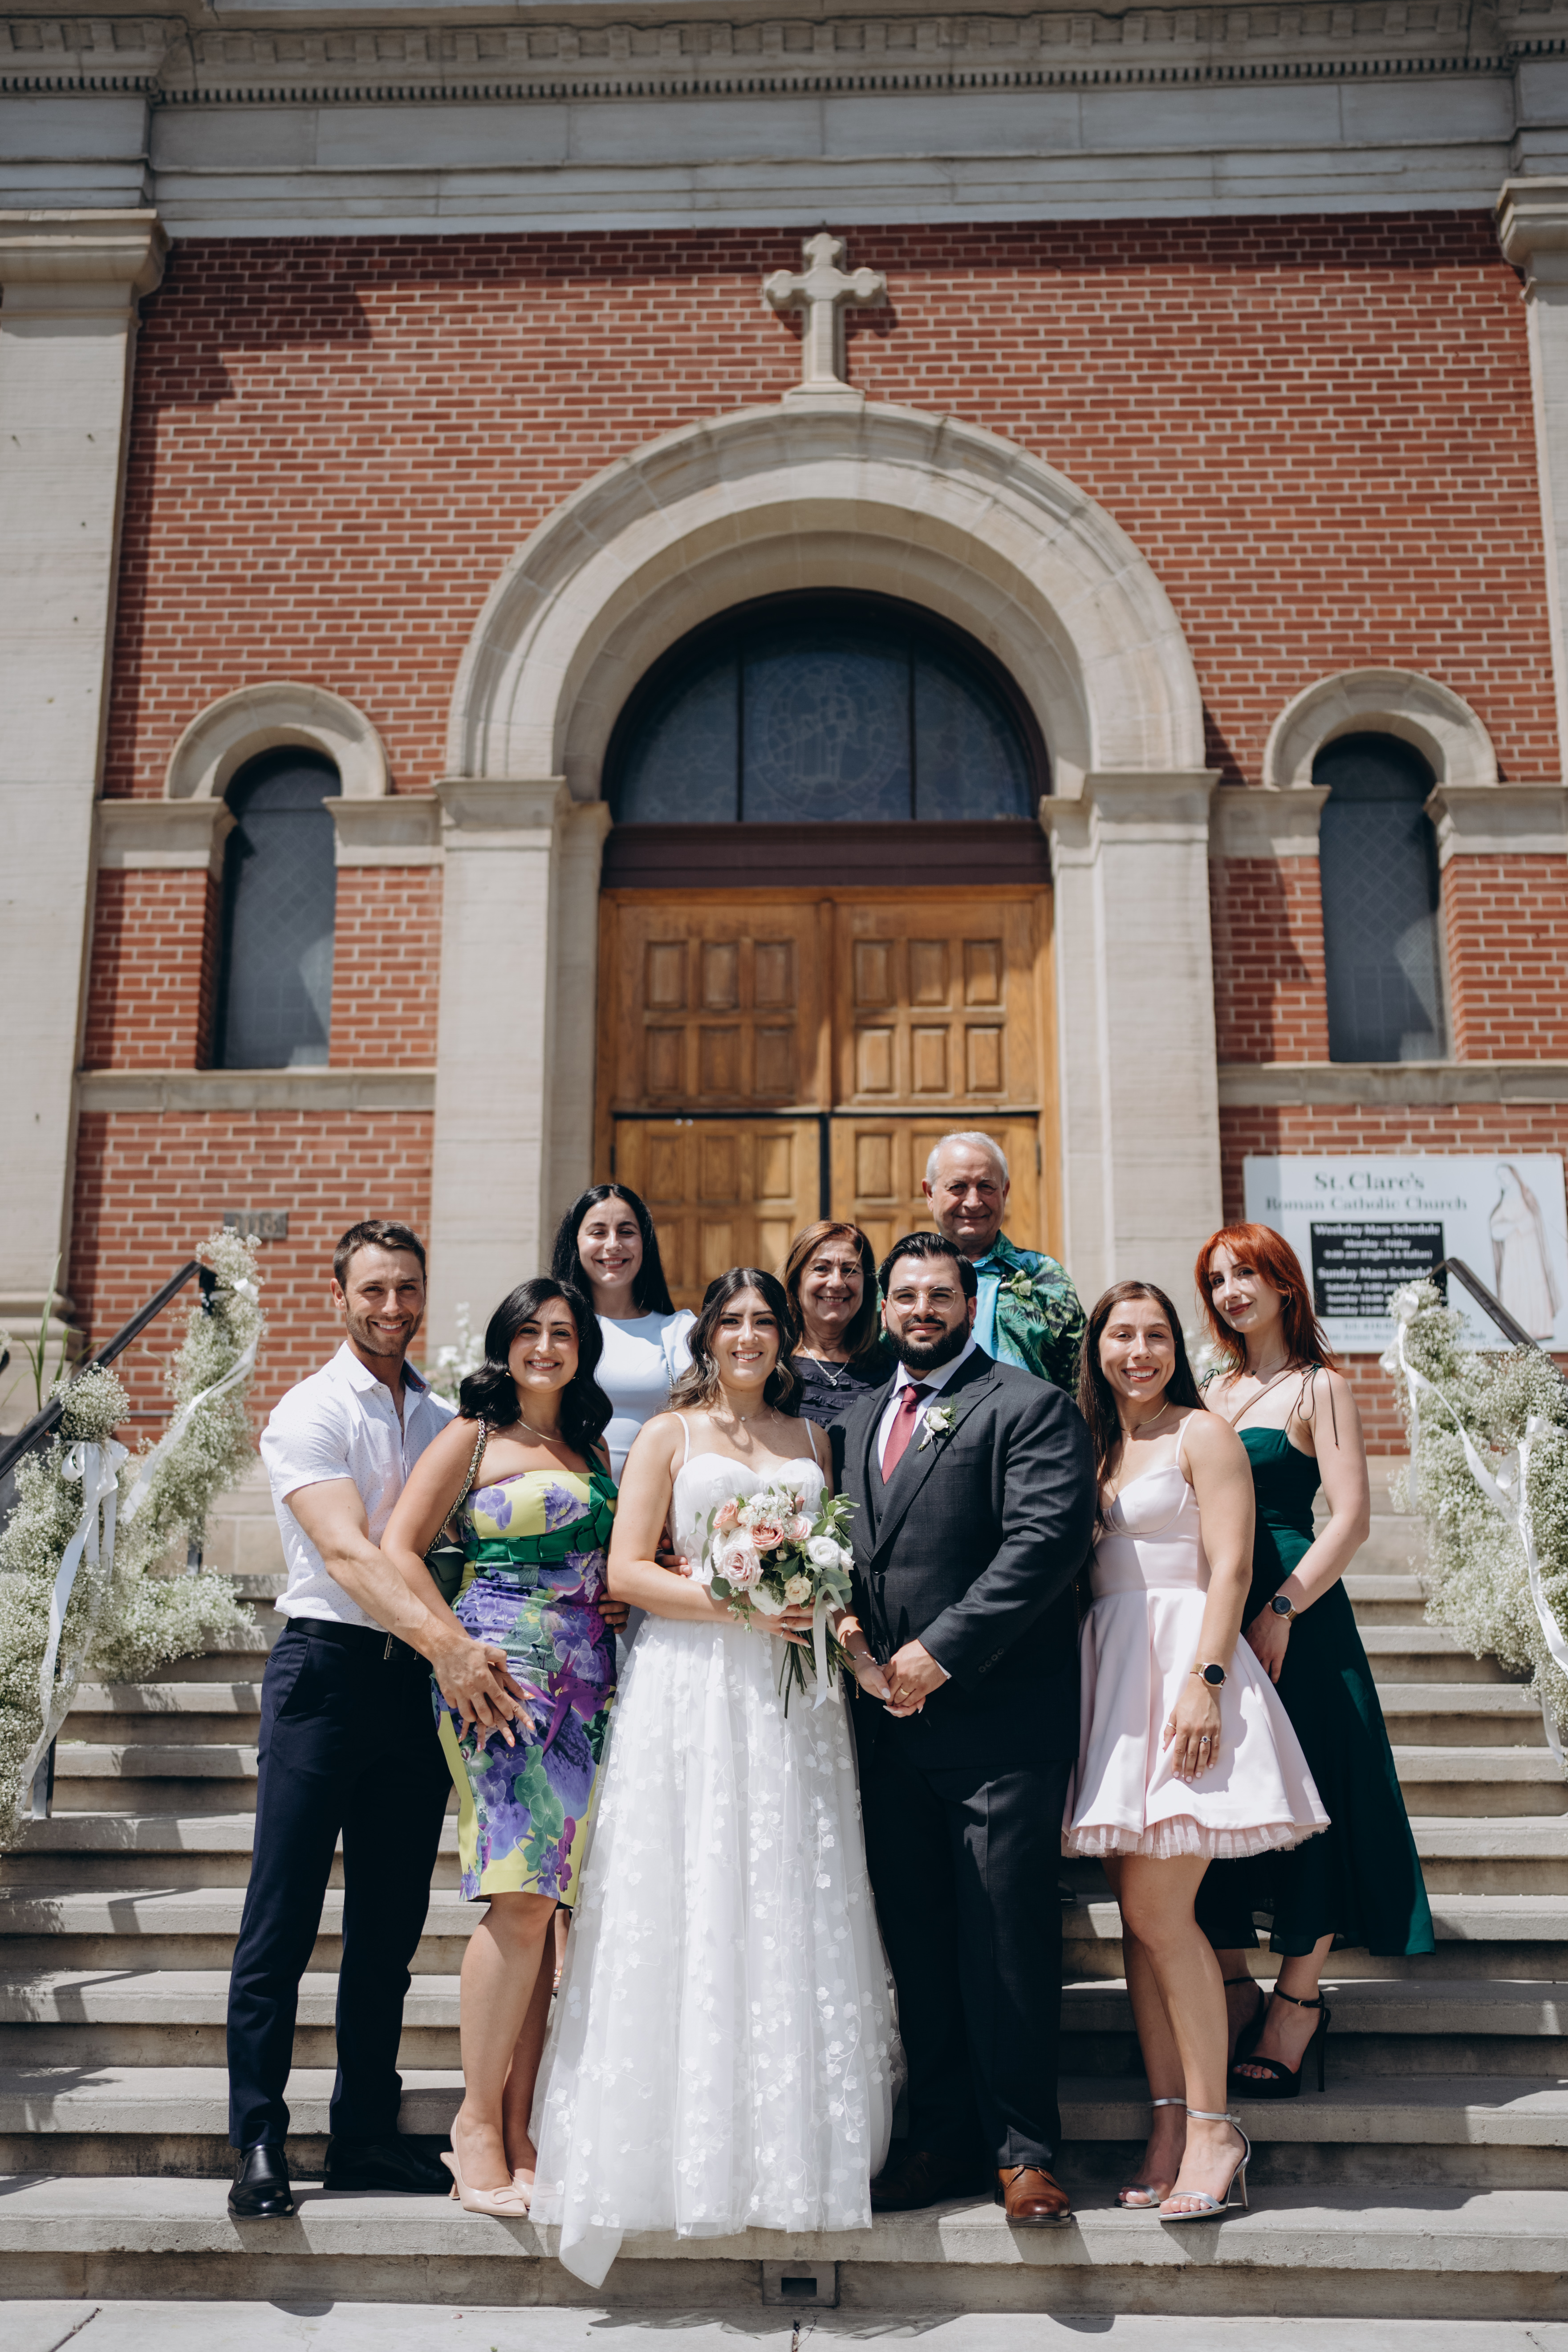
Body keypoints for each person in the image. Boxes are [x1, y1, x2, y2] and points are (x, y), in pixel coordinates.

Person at [530, 1267, 901, 2287]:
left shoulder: (813, 1440)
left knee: (788, 1890)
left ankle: (786, 2146)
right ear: (706, 1337)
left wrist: (854, 1650)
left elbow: (834, 1578)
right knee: (689, 1889)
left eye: (763, 1320)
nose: (747, 1335)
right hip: (692, 1683)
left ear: (784, 1336)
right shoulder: (668, 1434)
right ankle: (675, 2146)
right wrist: (741, 1601)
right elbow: (627, 1571)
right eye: (730, 1320)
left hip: (795, 1692)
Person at [227, 1219, 529, 2221]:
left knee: (388, 1928)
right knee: (280, 1920)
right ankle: (258, 2139)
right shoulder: (308, 1409)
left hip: (414, 1696)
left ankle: (362, 2133)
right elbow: (351, 1553)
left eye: (407, 1288)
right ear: (339, 1296)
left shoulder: (444, 1417)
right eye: (373, 1289)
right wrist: (452, 1647)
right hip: (325, 1672)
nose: (392, 1306)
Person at [833, 1230, 1097, 2225]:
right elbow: (848, 1556)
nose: (921, 1310)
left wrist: (936, 1653)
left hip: (998, 1725)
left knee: (1006, 1942)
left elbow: (1044, 1544)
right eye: (905, 1295)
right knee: (918, 1940)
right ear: (885, 1307)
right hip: (888, 1733)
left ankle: (1024, 2151)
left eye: (940, 1294)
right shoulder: (853, 1422)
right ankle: (939, 2139)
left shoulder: (1029, 1407)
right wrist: (853, 1640)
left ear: (968, 1304)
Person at [1064, 1281, 1327, 2217]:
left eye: (1156, 1335)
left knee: (1158, 1910)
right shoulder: (1093, 1443)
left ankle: (1217, 2128)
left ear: (1177, 1347)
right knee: (1138, 1923)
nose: (1139, 1350)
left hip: (1184, 1668)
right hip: (1111, 1676)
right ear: (1096, 1348)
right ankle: (1169, 2122)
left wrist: (1206, 1678)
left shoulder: (1202, 1432)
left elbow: (1234, 1565)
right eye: (1121, 1335)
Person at [382, 1277, 626, 2214]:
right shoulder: (473, 1436)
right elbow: (400, 1548)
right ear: (504, 1344)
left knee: (548, 1902)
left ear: (582, 1346)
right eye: (529, 1331)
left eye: (563, 1331)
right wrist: (454, 1648)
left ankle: (525, 2129)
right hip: (501, 1676)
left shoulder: (591, 1443)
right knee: (520, 1892)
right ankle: (475, 2124)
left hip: (589, 1679)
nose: (545, 1346)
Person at [1193, 1223, 1435, 2096]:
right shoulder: (1209, 1390)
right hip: (1214, 1616)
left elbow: (1351, 1516)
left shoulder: (1318, 1386)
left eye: (1246, 1274)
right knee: (1218, 1795)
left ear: (1284, 1284)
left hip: (1297, 1614)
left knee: (1313, 1795)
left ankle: (1296, 2003)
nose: (1230, 1291)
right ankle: (1232, 1984)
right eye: (1216, 1279)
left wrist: (1283, 1609)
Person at [550, 1182, 695, 1479]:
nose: (613, 1244)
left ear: (645, 1242)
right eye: (598, 1232)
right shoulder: (550, 1331)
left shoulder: (679, 1331)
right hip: (569, 1498)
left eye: (626, 1232)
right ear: (575, 1242)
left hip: (656, 1500)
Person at [920, 1130, 1084, 1391]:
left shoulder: (1044, 1275)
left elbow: (1080, 1377)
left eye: (986, 1187)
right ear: (930, 1193)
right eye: (957, 1187)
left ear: (1005, 1191)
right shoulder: (903, 1279)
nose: (973, 1202)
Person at [780, 1219, 893, 1427]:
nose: (837, 1283)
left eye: (850, 1270)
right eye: (822, 1268)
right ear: (796, 1281)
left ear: (866, 1286)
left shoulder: (893, 1375)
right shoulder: (772, 1365)